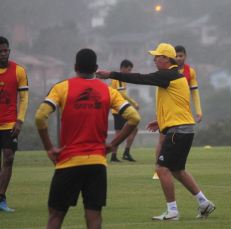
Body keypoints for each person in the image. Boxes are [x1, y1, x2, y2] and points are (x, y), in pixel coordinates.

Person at [96, 43, 215, 220]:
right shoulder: (176, 75)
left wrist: (111, 74)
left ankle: (172, 211)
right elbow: (177, 104)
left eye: (157, 56)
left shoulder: (167, 75)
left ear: (166, 58)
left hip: (178, 131)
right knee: (177, 170)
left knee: (161, 168)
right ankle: (204, 203)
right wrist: (161, 121)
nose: (153, 59)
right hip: (184, 129)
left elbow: (140, 78)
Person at [35, 48, 140, 229]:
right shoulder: (108, 91)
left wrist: (49, 148)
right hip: (97, 163)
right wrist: (113, 144)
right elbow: (134, 118)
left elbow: (40, 117)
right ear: (96, 67)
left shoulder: (61, 87)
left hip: (69, 161)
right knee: (94, 217)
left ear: (75, 66)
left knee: (55, 217)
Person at [152, 45, 202, 180]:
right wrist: (161, 117)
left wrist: (198, 110)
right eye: (177, 56)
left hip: (179, 117)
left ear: (185, 56)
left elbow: (194, 92)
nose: (179, 58)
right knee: (162, 139)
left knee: (177, 167)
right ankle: (159, 169)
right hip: (167, 114)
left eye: (181, 56)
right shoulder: (164, 72)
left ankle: (163, 168)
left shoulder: (188, 72)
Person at [0, 36, 29, 212]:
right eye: (0, 51)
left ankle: (1, 198)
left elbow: (24, 98)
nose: (3, 54)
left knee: (9, 158)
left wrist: (19, 120)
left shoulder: (19, 70)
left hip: (10, 123)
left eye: (6, 50)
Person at [110, 59, 139, 162]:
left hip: (117, 108)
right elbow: (121, 93)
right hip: (119, 109)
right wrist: (134, 103)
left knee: (133, 129)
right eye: (129, 70)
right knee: (118, 133)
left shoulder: (118, 77)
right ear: (123, 68)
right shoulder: (119, 77)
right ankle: (114, 156)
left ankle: (125, 153)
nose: (130, 72)